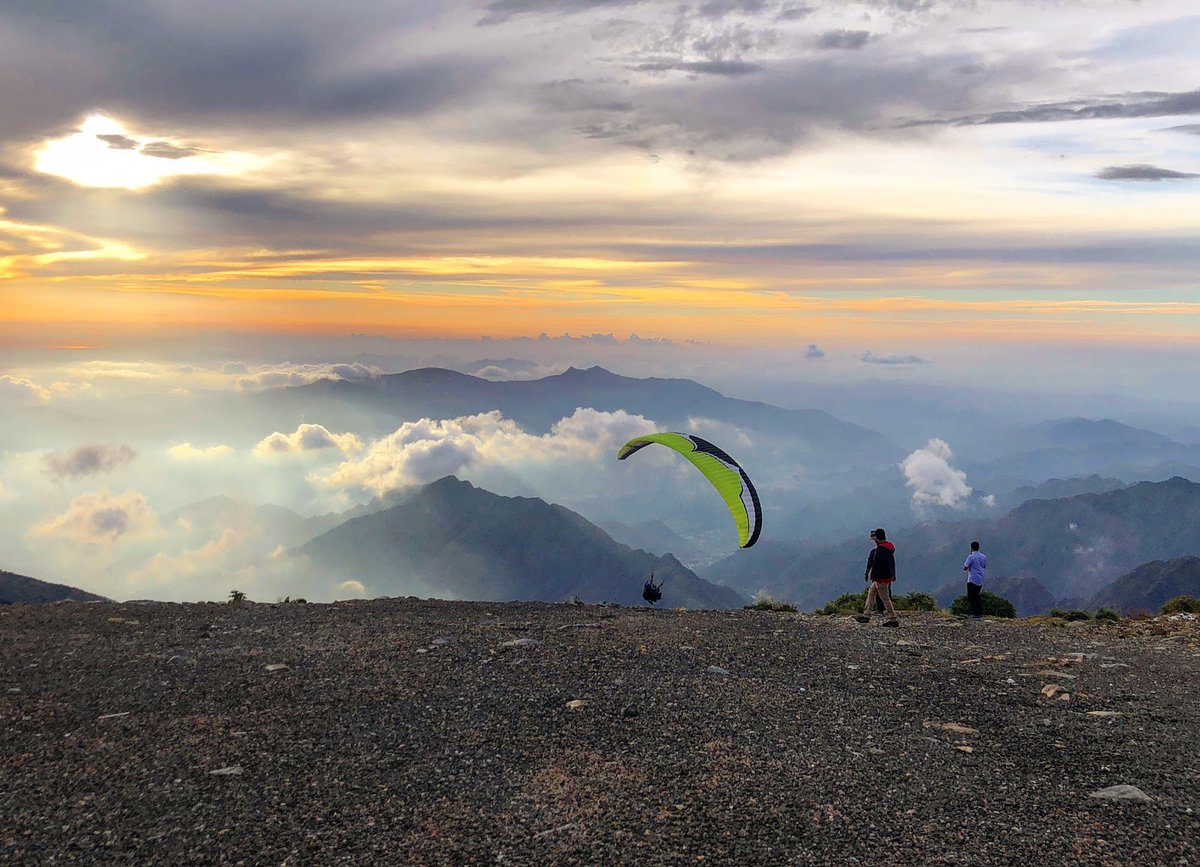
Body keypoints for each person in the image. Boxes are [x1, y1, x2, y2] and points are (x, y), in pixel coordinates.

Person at [856, 528, 898, 627]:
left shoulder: (881, 550)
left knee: (885, 598)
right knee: (871, 592)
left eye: (875, 538)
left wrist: (875, 576)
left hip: (881, 578)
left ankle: (893, 619)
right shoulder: (888, 547)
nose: (874, 540)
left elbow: (880, 565)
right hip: (883, 577)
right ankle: (866, 615)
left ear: (878, 538)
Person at [963, 540, 987, 620]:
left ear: (971, 548)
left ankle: (975, 613)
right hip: (980, 579)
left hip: (972, 579)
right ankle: (979, 612)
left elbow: (965, 567)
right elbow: (984, 566)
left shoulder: (971, 557)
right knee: (977, 595)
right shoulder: (983, 556)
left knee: (971, 596)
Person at [864, 530, 886, 613]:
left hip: (880, 575)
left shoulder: (878, 551)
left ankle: (889, 613)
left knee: (883, 595)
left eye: (874, 537)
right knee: (874, 592)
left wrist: (867, 573)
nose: (874, 539)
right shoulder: (886, 549)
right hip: (881, 575)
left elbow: (870, 563)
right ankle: (868, 613)